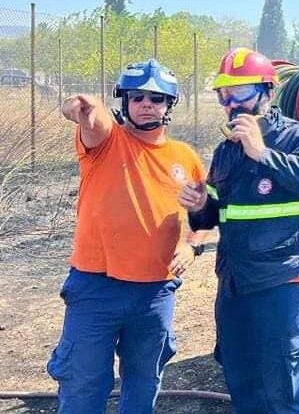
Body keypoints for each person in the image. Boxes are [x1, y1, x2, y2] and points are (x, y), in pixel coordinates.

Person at [178, 47, 299, 414]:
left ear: (267, 91)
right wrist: (200, 205)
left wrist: (262, 152)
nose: (231, 103)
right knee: (241, 372)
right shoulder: (225, 151)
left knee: (285, 382)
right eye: (223, 94)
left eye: (241, 91)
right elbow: (213, 217)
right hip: (235, 283)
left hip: (282, 283)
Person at [47, 58, 206, 413]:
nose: (147, 104)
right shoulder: (105, 142)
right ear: (124, 102)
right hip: (96, 288)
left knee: (143, 381)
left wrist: (191, 246)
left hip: (155, 293)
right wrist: (81, 107)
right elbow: (91, 115)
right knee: (84, 383)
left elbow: (202, 215)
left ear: (169, 105)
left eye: (156, 98)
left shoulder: (186, 158)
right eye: (137, 97)